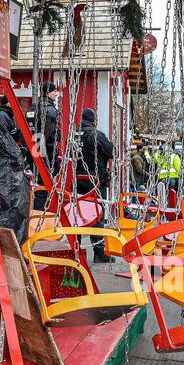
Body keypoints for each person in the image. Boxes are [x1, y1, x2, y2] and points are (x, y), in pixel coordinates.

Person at [75, 109, 115, 261]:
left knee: (77, 215)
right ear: (93, 120)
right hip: (95, 180)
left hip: (77, 180)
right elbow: (111, 152)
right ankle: (99, 252)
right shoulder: (96, 135)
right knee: (97, 215)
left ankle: (76, 248)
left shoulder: (74, 134)